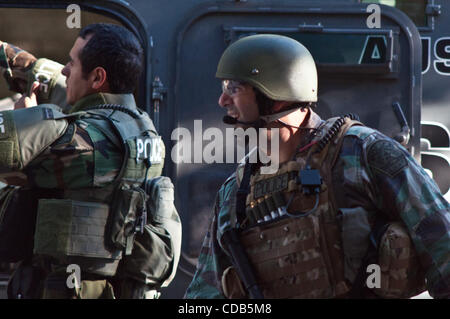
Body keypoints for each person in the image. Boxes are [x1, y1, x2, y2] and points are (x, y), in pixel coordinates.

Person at [185, 34, 450, 299]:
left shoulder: (364, 153)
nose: (222, 101)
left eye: (234, 88)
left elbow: (442, 243)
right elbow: (205, 295)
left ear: (274, 95)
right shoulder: (235, 192)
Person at [0, 23, 181, 299]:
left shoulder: (82, 141)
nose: (64, 70)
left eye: (71, 63)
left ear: (97, 78)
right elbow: (42, 73)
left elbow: (11, 145)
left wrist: (27, 118)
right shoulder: (136, 125)